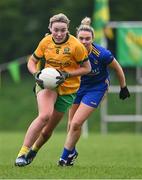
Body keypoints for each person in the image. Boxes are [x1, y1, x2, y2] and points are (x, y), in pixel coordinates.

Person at [22, 16, 130, 167]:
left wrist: (123, 87)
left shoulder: (102, 54)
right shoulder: (72, 48)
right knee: (71, 124)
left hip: (96, 88)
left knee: (77, 123)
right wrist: (43, 80)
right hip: (77, 87)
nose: (84, 42)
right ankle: (71, 152)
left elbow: (117, 68)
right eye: (81, 38)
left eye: (88, 39)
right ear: (76, 38)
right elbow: (53, 62)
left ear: (93, 39)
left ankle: (64, 158)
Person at [15, 13, 91, 167]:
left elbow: (86, 68)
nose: (59, 33)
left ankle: (33, 151)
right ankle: (22, 154)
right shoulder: (45, 41)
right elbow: (32, 61)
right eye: (55, 29)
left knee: (47, 131)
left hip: (68, 89)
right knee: (44, 116)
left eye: (63, 30)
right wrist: (36, 73)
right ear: (50, 28)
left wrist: (67, 74)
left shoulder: (76, 46)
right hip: (47, 84)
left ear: (67, 29)